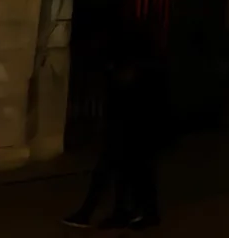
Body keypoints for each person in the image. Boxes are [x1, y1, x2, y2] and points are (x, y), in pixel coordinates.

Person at [64, 29, 165, 230]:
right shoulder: (145, 69)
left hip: (129, 130)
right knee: (131, 172)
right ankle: (123, 212)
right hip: (132, 130)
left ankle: (97, 212)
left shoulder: (132, 72)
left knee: (119, 171)